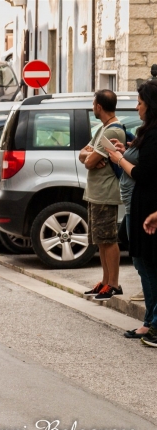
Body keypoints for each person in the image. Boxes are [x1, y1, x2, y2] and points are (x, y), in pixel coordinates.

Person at [106, 81, 157, 347]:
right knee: (143, 264)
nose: (136, 106)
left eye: (139, 102)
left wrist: (119, 160)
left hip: (148, 207)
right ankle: (150, 322)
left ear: (151, 104)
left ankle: (153, 324)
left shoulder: (154, 134)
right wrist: (126, 152)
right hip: (142, 205)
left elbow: (142, 173)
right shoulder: (146, 132)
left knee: (148, 265)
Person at [79, 90, 126, 301]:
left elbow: (88, 161)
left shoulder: (113, 131)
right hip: (96, 193)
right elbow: (83, 154)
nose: (92, 107)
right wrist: (90, 156)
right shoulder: (102, 129)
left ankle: (114, 284)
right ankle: (105, 281)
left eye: (93, 103)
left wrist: (90, 157)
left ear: (99, 106)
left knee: (108, 239)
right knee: (100, 239)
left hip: (106, 192)